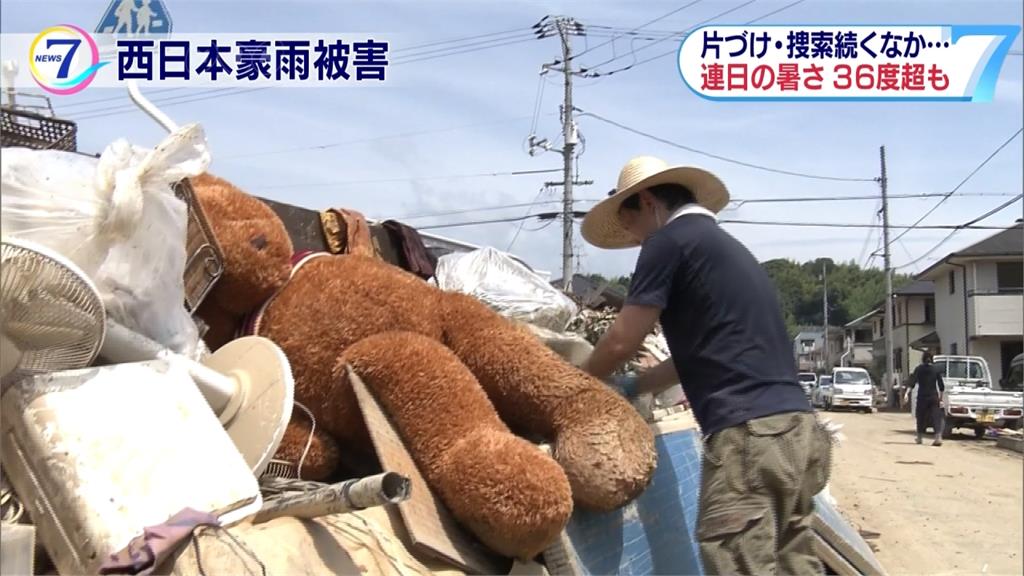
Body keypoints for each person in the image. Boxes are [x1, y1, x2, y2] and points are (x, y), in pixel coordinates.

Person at [579, 156, 832, 575]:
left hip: (750, 436)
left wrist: (579, 380)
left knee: (737, 562)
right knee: (792, 564)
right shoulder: (723, 248)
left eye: (632, 228)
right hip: (796, 433)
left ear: (647, 203)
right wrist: (638, 385)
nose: (636, 241)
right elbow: (698, 355)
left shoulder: (669, 241)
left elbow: (623, 338)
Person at [905, 351, 945, 446]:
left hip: (922, 396)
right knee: (936, 417)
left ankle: (919, 438)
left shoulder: (919, 369)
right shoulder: (936, 369)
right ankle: (938, 437)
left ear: (923, 359)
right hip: (933, 396)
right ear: (932, 359)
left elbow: (912, 383)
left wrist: (906, 394)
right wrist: (940, 398)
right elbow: (941, 386)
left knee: (920, 417)